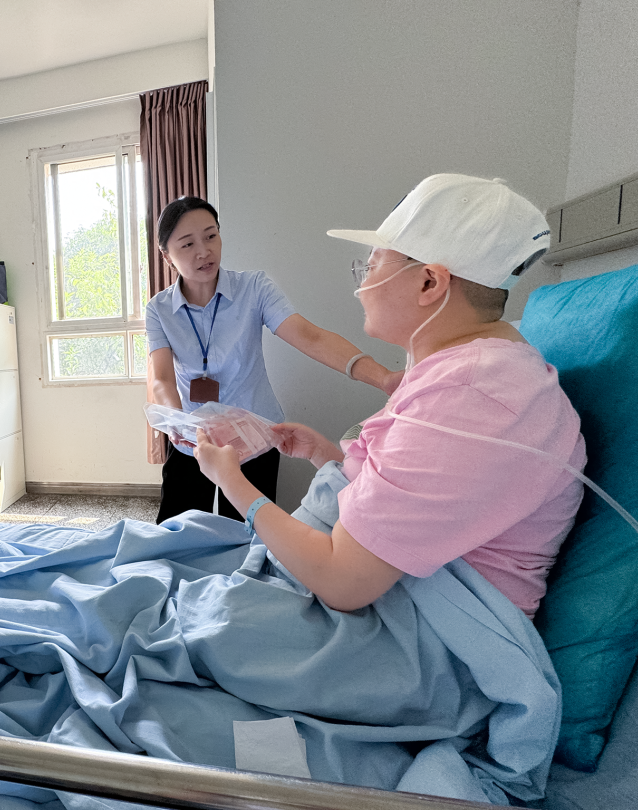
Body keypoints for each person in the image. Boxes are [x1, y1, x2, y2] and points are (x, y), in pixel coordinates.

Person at [193, 173, 586, 618]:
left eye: (372, 267)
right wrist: (325, 456)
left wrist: (231, 482)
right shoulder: (468, 370)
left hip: (422, 629)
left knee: (152, 599)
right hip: (382, 591)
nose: (361, 287)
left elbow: (343, 582)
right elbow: (407, 501)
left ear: (429, 284)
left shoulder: (472, 397)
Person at [147, 196, 402, 524]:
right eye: (187, 244)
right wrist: (178, 423)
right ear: (167, 256)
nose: (203, 251)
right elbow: (162, 378)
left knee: (251, 533)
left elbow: (310, 337)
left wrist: (383, 377)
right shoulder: (158, 310)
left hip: (253, 437)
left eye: (211, 236)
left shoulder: (254, 288)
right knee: (176, 531)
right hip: (193, 440)